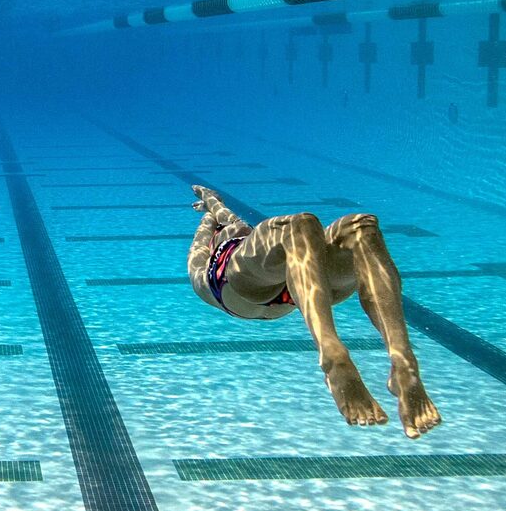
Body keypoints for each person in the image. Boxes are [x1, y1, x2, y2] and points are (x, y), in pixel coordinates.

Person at [188, 184, 441, 438]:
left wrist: (209, 202)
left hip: (302, 281)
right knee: (300, 224)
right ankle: (333, 358)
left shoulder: (247, 235)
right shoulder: (229, 242)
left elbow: (220, 215)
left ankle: (404, 365)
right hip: (237, 288)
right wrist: (209, 210)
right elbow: (203, 245)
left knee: (361, 227)